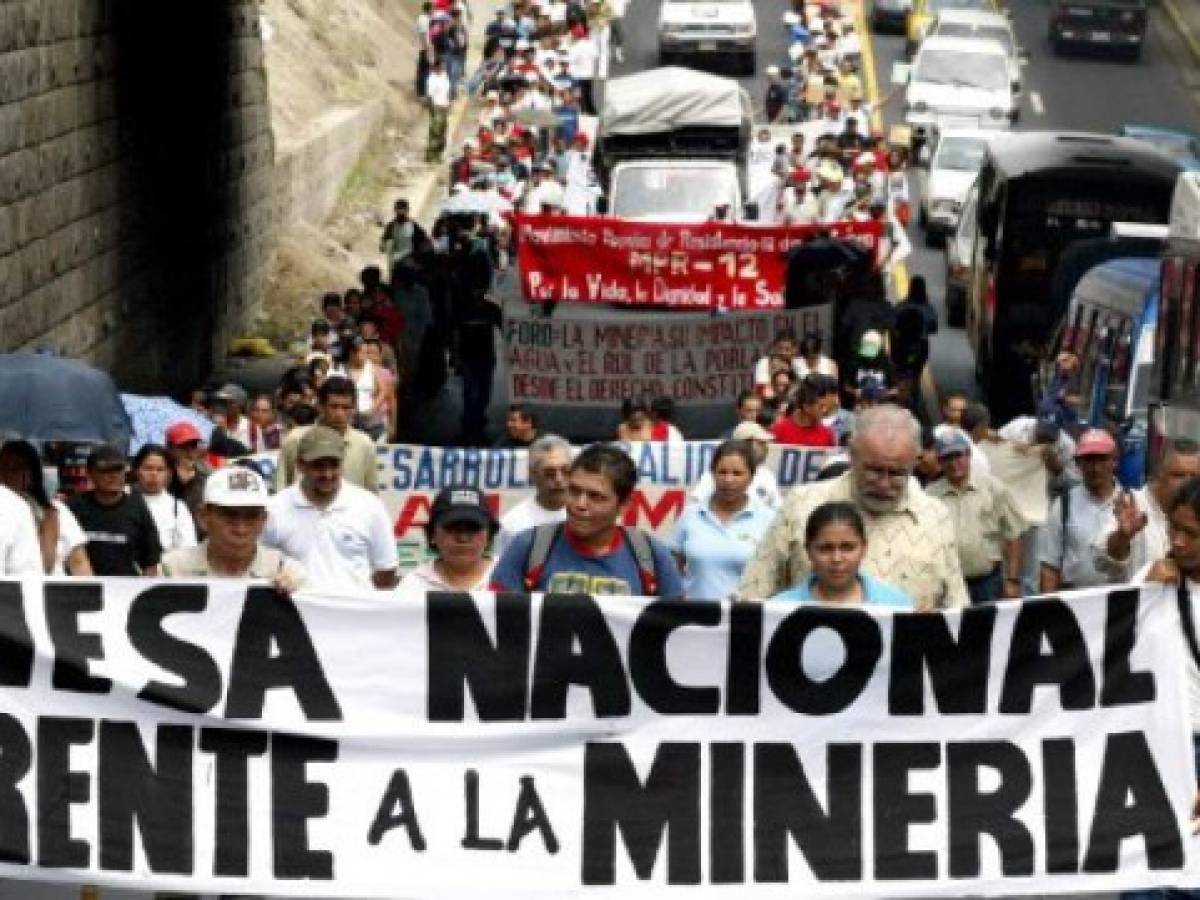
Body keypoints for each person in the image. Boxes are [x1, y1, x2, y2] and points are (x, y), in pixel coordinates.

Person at [738, 405, 969, 610]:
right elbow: (752, 599)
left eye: (898, 473)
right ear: (851, 453)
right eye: (873, 470)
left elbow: (957, 610)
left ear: (916, 461)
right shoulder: (802, 505)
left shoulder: (935, 517)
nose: (884, 483)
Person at [1124, 477, 1200, 900]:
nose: (1178, 543)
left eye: (1191, 534)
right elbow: (1110, 644)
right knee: (1144, 877)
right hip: (1151, 748)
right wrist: (1147, 588)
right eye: (1174, 529)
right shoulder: (1154, 579)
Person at [491, 443, 684, 596]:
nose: (580, 504)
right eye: (574, 491)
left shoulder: (652, 556)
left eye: (596, 496)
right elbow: (496, 625)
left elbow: (678, 633)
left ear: (624, 505)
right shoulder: (527, 547)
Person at [264, 426, 399, 590]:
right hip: (294, 612)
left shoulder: (370, 506)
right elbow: (262, 563)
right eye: (318, 466)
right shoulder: (275, 508)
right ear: (300, 465)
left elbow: (386, 568)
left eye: (334, 465)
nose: (327, 474)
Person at [161, 466, 306, 590]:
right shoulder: (172, 570)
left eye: (251, 516)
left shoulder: (284, 571)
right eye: (229, 515)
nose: (240, 528)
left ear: (264, 521)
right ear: (203, 517)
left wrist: (297, 591)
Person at [926, 429, 1027, 604]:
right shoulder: (929, 496)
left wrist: (1012, 580)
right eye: (947, 458)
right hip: (948, 586)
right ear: (940, 462)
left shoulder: (994, 488)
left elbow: (1015, 535)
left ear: (968, 455)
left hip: (989, 583)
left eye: (958, 456)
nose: (953, 463)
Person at [670, 441, 776, 601]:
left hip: (745, 618)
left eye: (737, 473)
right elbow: (673, 568)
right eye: (722, 472)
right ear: (712, 474)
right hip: (693, 618)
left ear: (751, 477)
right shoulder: (690, 514)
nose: (728, 480)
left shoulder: (768, 519)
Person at [770, 502, 915, 607]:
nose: (837, 559)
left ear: (864, 548)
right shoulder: (780, 607)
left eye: (847, 548)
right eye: (825, 548)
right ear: (808, 551)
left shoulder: (896, 606)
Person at [1094, 438, 1200, 582]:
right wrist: (1122, 536)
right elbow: (1102, 562)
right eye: (1178, 475)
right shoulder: (1129, 506)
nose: (1187, 482)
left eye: (1194, 476)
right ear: (1159, 474)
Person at [1040, 428, 1121, 593]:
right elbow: (1049, 566)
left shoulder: (1130, 504)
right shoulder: (1063, 505)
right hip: (1075, 601)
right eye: (1089, 460)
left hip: (1119, 603)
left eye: (1102, 460)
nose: (1095, 468)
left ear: (1114, 461)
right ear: (1078, 464)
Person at [68, 445, 162, 576]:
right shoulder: (73, 508)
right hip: (83, 591)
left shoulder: (138, 508)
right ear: (89, 473)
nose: (113, 476)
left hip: (126, 591)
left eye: (118, 470)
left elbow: (150, 564)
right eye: (105, 470)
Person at [0, 440, 90, 575]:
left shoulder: (57, 512)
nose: (9, 473)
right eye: (4, 467)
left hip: (51, 590)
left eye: (17, 467)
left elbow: (78, 562)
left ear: (32, 473)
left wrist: (49, 529)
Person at [277, 377, 380, 492]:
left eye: (346, 407)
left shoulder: (364, 445)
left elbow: (371, 494)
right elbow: (280, 488)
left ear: (354, 409)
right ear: (320, 406)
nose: (339, 413)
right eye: (334, 406)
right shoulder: (296, 439)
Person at [397, 485, 499, 596]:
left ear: (489, 535)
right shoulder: (411, 587)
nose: (463, 538)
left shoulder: (509, 577)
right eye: (452, 528)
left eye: (473, 528)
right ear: (432, 535)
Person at [496, 435, 572, 556]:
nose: (559, 479)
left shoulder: (591, 516)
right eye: (550, 473)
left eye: (566, 470)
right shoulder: (513, 525)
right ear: (532, 474)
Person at [692, 422, 783, 511]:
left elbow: (777, 508)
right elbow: (696, 504)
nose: (766, 447)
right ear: (745, 443)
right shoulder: (717, 474)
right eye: (761, 443)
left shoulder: (767, 475)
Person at [132, 444, 198, 555]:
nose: (154, 474)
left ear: (169, 473)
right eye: (148, 468)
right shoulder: (123, 499)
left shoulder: (177, 507)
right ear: (136, 470)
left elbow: (188, 550)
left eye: (160, 470)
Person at [334, 336, 389, 441]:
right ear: (352, 354)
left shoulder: (372, 368)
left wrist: (373, 408)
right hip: (349, 421)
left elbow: (384, 391)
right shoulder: (340, 369)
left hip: (371, 421)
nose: (364, 356)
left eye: (365, 352)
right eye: (361, 353)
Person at [771, 376, 836, 446]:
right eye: (821, 407)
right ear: (806, 406)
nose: (825, 410)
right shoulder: (779, 430)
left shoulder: (827, 435)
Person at [381, 198, 428, 281]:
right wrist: (384, 245)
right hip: (395, 263)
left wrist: (418, 260)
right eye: (398, 209)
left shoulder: (414, 226)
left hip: (410, 262)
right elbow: (383, 244)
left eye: (402, 209)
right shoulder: (391, 226)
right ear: (395, 210)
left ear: (407, 210)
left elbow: (424, 242)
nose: (400, 212)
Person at [426, 57, 453, 162]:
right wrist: (433, 111)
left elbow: (447, 90)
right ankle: (430, 155)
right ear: (436, 67)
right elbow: (430, 96)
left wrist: (449, 102)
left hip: (444, 106)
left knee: (442, 131)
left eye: (444, 66)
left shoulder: (445, 76)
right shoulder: (432, 79)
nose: (443, 68)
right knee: (435, 131)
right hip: (436, 106)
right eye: (441, 66)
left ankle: (438, 154)